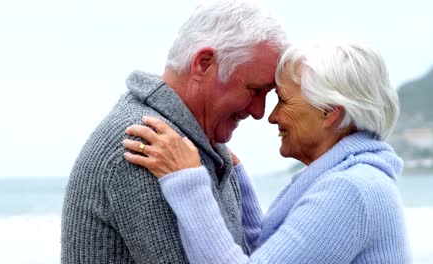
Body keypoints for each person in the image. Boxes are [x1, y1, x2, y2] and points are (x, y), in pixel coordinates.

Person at [123, 42, 412, 263]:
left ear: (330, 113)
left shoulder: (351, 192)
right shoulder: (354, 180)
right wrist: (238, 181)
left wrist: (186, 181)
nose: (271, 116)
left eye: (283, 100)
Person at [61, 0, 287, 263]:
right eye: (254, 89)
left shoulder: (197, 145)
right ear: (204, 64)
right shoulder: (144, 142)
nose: (259, 111)